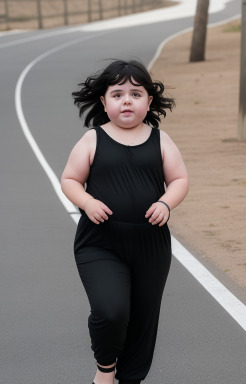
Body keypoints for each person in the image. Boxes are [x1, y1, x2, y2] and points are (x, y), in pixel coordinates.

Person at [61, 59, 189, 384]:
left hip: (150, 244)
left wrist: (165, 203)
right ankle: (105, 369)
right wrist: (87, 202)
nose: (127, 100)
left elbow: (179, 180)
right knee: (111, 310)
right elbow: (70, 180)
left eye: (135, 93)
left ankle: (131, 378)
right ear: (104, 102)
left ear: (149, 101)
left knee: (143, 319)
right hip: (101, 243)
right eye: (117, 94)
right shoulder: (93, 140)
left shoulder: (161, 140)